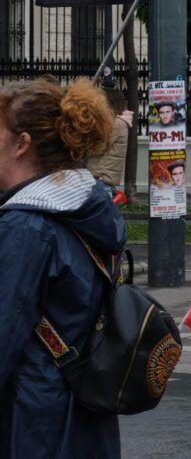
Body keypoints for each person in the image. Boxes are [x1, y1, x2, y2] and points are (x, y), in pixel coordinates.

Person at [0, 77, 127, 458]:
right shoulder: (84, 207)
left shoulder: (26, 227)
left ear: (21, 144)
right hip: (83, 415)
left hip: (34, 422)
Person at [86, 84, 131, 197]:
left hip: (101, 179)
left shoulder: (116, 123)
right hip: (98, 180)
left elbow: (96, 147)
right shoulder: (113, 122)